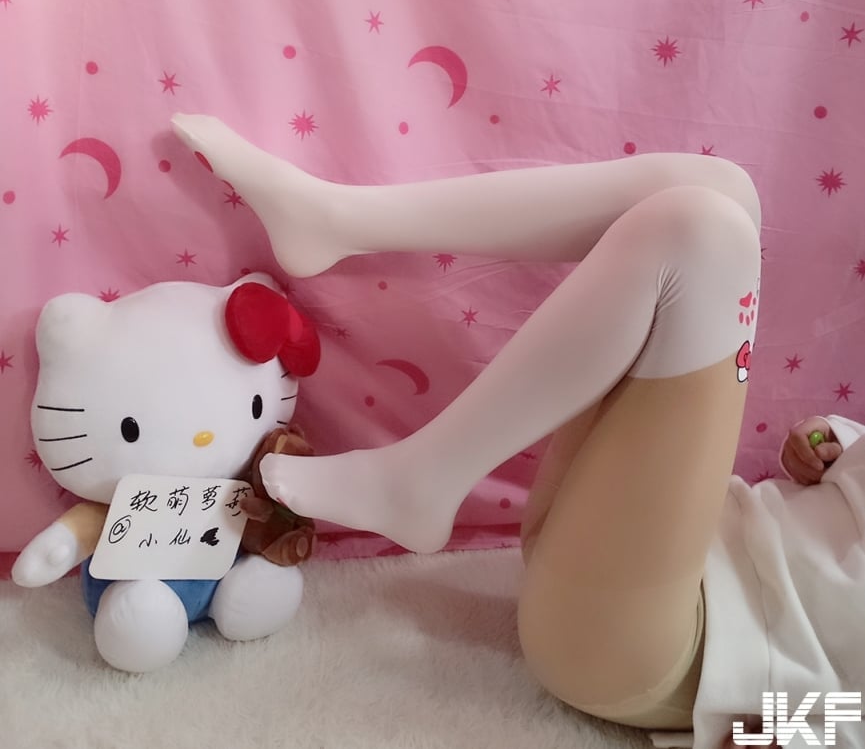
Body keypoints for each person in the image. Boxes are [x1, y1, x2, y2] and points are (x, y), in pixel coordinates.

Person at [170, 114, 864, 748]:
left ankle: (420, 478)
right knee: (718, 191)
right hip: (644, 546)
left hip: (665, 650)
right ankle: (335, 217)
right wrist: (829, 445)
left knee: (702, 231)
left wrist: (795, 729)